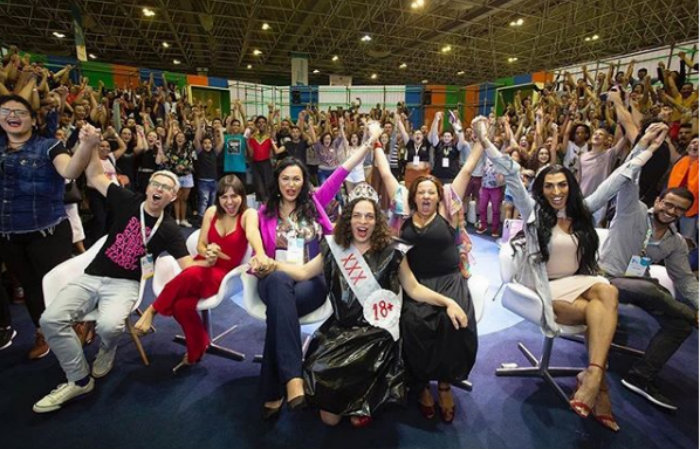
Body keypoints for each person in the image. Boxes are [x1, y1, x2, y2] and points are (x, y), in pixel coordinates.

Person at [473, 115, 669, 432]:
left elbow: (619, 178)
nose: (556, 191)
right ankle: (598, 385)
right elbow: (510, 173)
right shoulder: (533, 211)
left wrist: (644, 149)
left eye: (562, 184)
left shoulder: (583, 209)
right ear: (541, 189)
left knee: (606, 293)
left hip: (574, 284)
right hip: (539, 287)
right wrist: (484, 142)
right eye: (549, 186)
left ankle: (592, 376)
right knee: (601, 306)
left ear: (571, 186)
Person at [256, 186, 468, 427]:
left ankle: (361, 400)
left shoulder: (393, 250)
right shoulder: (334, 248)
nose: (363, 222)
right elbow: (303, 272)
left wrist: (448, 301)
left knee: (356, 416)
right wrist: (271, 264)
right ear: (348, 219)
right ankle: (353, 401)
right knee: (329, 420)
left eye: (369, 216)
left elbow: (414, 288)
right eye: (357, 215)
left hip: (376, 335)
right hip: (340, 331)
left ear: (377, 221)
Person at [33, 165, 197, 414]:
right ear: (148, 187)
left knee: (110, 327)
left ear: (173, 196)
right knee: (50, 320)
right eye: (156, 183)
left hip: (126, 284)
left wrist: (208, 258)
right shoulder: (127, 200)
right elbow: (94, 177)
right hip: (92, 276)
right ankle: (79, 379)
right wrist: (91, 145)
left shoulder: (169, 229)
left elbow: (188, 268)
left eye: (167, 188)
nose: (159, 189)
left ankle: (107, 348)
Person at [247, 122, 381, 420]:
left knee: (279, 313)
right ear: (277, 182)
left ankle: (276, 388)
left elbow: (345, 168)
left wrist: (370, 141)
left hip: (310, 280)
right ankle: (294, 379)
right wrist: (260, 259)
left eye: (297, 179)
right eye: (286, 179)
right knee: (279, 281)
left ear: (304, 182)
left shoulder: (315, 202)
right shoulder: (263, 213)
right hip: (272, 279)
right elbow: (257, 246)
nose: (292, 184)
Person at [372, 116, 481, 423]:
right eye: (420, 191)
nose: (426, 196)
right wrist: (375, 140)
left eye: (431, 191)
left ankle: (445, 385)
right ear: (413, 195)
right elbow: (383, 169)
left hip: (449, 281)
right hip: (414, 283)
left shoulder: (448, 207)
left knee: (453, 327)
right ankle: (420, 384)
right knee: (413, 325)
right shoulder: (401, 208)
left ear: (439, 195)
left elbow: (468, 169)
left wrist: (482, 143)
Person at [0, 94, 99, 359]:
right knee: (31, 286)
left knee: (61, 284)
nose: (12, 116)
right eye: (6, 111)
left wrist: (86, 146)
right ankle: (43, 330)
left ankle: (81, 321)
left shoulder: (49, 146)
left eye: (20, 112)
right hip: (8, 233)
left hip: (49, 231)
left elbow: (70, 171)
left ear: (33, 119)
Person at [134, 175, 266, 369]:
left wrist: (261, 253)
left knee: (192, 274)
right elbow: (201, 244)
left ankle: (153, 309)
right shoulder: (212, 212)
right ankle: (198, 347)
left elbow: (253, 234)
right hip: (203, 264)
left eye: (234, 196)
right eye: (224, 197)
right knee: (181, 306)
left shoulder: (248, 215)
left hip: (223, 274)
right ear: (218, 198)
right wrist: (208, 251)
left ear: (242, 196)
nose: (229, 202)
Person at [600, 182, 697, 411]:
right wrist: (643, 148)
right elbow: (628, 180)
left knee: (680, 325)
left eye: (679, 209)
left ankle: (640, 377)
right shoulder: (633, 211)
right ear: (658, 201)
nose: (672, 211)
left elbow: (684, 279)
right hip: (608, 278)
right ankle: (692, 316)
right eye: (668, 204)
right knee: (653, 291)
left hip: (641, 285)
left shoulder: (676, 242)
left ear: (685, 213)